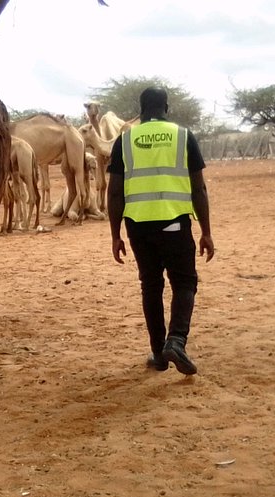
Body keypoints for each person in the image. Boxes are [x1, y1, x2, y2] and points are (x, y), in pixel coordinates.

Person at [108, 86, 215, 375]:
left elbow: (114, 192)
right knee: (184, 283)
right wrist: (206, 231)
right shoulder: (183, 136)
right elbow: (199, 188)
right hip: (175, 224)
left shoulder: (125, 140)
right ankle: (177, 340)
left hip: (138, 226)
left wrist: (115, 234)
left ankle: (158, 352)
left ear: (141, 110)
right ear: (166, 107)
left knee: (151, 286)